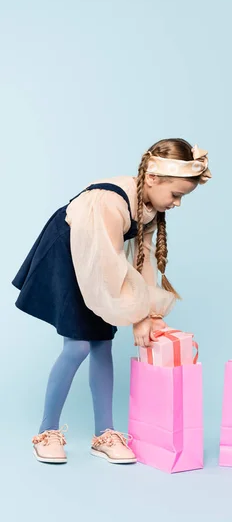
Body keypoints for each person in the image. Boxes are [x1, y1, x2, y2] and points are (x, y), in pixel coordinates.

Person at [12, 138, 211, 464]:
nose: (177, 203)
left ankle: (105, 432)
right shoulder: (109, 203)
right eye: (176, 195)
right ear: (152, 179)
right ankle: (46, 431)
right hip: (71, 255)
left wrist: (149, 312)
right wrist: (136, 316)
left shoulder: (147, 208)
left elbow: (140, 262)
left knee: (102, 344)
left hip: (100, 263)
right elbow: (105, 264)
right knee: (76, 345)